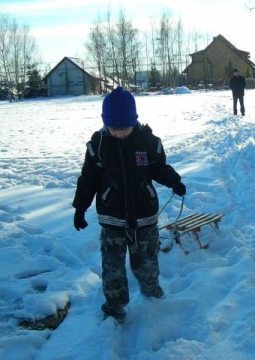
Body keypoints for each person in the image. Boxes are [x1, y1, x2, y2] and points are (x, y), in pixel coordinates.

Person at [72, 86, 186, 322]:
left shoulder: (148, 142)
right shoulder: (98, 147)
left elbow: (158, 168)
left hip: (144, 217)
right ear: (106, 124)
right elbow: (88, 179)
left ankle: (151, 291)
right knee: (112, 266)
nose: (119, 132)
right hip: (112, 219)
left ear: (134, 121)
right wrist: (80, 207)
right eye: (113, 127)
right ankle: (114, 305)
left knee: (147, 260)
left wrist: (174, 180)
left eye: (124, 127)